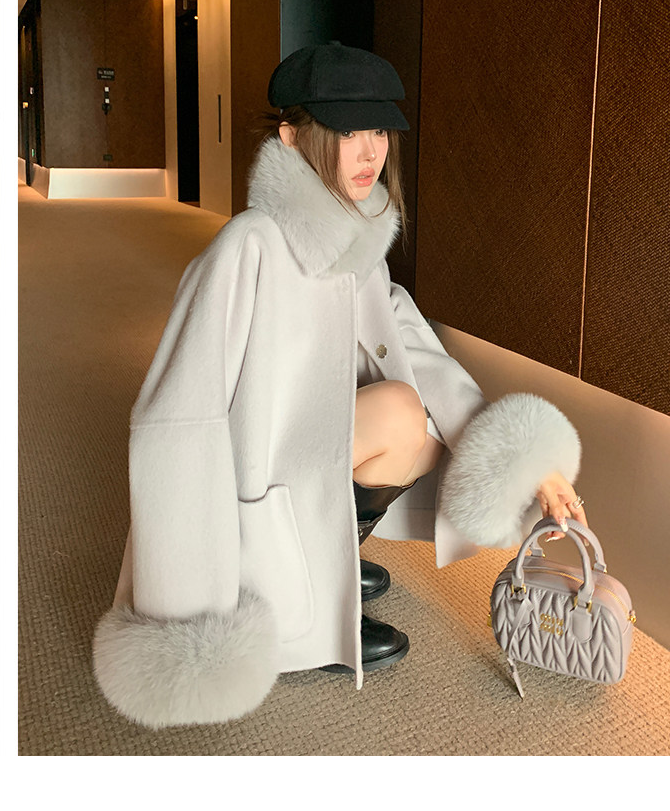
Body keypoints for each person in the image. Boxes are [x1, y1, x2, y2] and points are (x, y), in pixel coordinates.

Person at [93, 41, 587, 729]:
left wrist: (529, 465)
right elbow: (175, 421)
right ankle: (293, 596)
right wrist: (185, 604)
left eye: (379, 130)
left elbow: (419, 352)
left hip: (306, 456)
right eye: (348, 130)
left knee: (421, 424)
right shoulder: (249, 245)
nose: (369, 152)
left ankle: (329, 564)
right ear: (293, 137)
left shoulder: (358, 247)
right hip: (249, 478)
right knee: (400, 411)